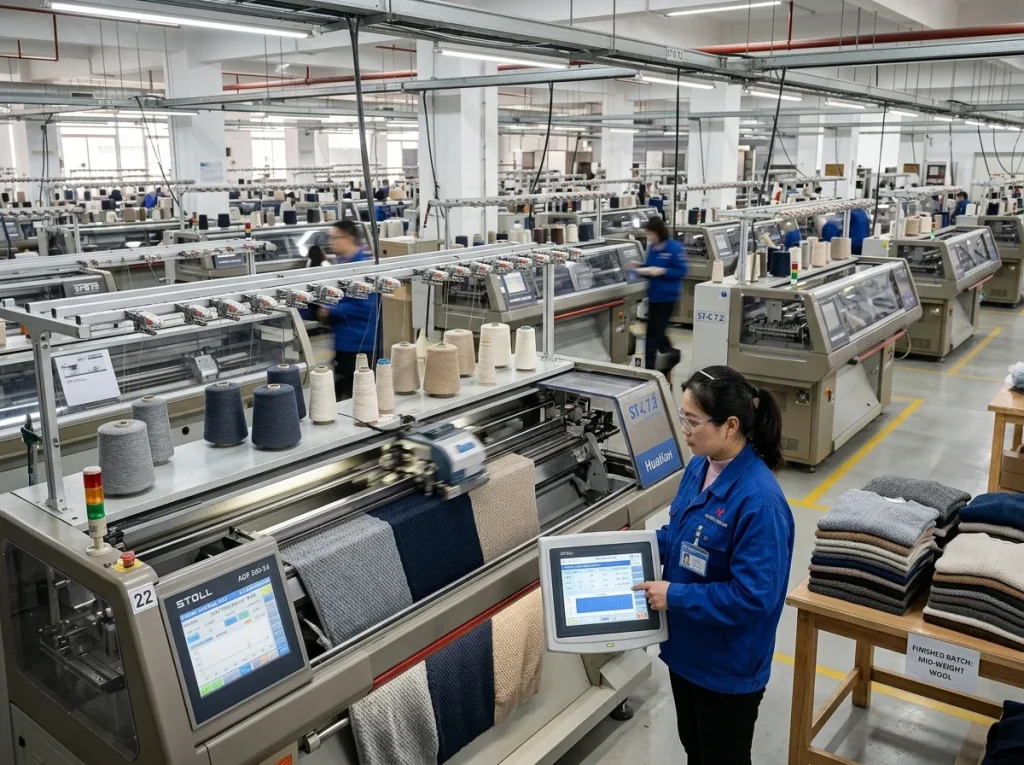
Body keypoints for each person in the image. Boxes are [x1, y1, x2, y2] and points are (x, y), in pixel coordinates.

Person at [632, 366, 795, 765]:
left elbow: (753, 596)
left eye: (692, 421)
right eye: (682, 417)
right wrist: (631, 548)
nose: (684, 430)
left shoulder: (759, 502)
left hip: (727, 668)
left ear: (730, 426)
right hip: (686, 651)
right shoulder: (699, 467)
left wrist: (675, 595)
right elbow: (681, 534)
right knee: (695, 748)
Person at [313, 221, 377, 400]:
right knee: (343, 396)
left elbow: (366, 307)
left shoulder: (361, 268)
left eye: (334, 238)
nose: (331, 242)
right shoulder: (345, 265)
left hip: (358, 343)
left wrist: (330, 310)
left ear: (348, 238)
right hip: (344, 341)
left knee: (354, 397)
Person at [637, 216, 686, 373]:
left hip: (667, 297)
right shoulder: (652, 248)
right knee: (655, 331)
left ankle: (650, 369)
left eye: (651, 234)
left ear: (659, 232)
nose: (649, 237)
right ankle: (670, 354)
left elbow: (682, 270)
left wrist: (663, 271)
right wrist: (640, 268)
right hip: (654, 296)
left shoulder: (674, 248)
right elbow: (649, 267)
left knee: (654, 334)